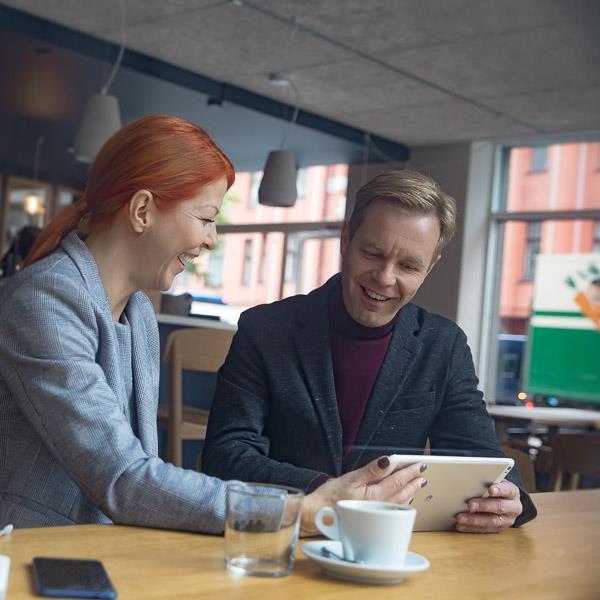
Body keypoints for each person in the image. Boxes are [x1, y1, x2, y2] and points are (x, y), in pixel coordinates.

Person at [0, 117, 433, 534]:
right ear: (143, 210)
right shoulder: (44, 300)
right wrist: (300, 510)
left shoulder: (139, 313)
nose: (211, 239)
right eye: (206, 218)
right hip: (29, 550)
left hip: (101, 550)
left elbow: (135, 482)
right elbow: (124, 479)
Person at [203, 169, 537, 534]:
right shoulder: (264, 329)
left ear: (430, 268)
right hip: (281, 537)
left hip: (386, 545)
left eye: (409, 265)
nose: (385, 278)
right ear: (346, 239)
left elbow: (481, 459)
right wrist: (326, 494)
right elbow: (226, 455)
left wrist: (507, 497)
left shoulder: (444, 344)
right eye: (373, 253)